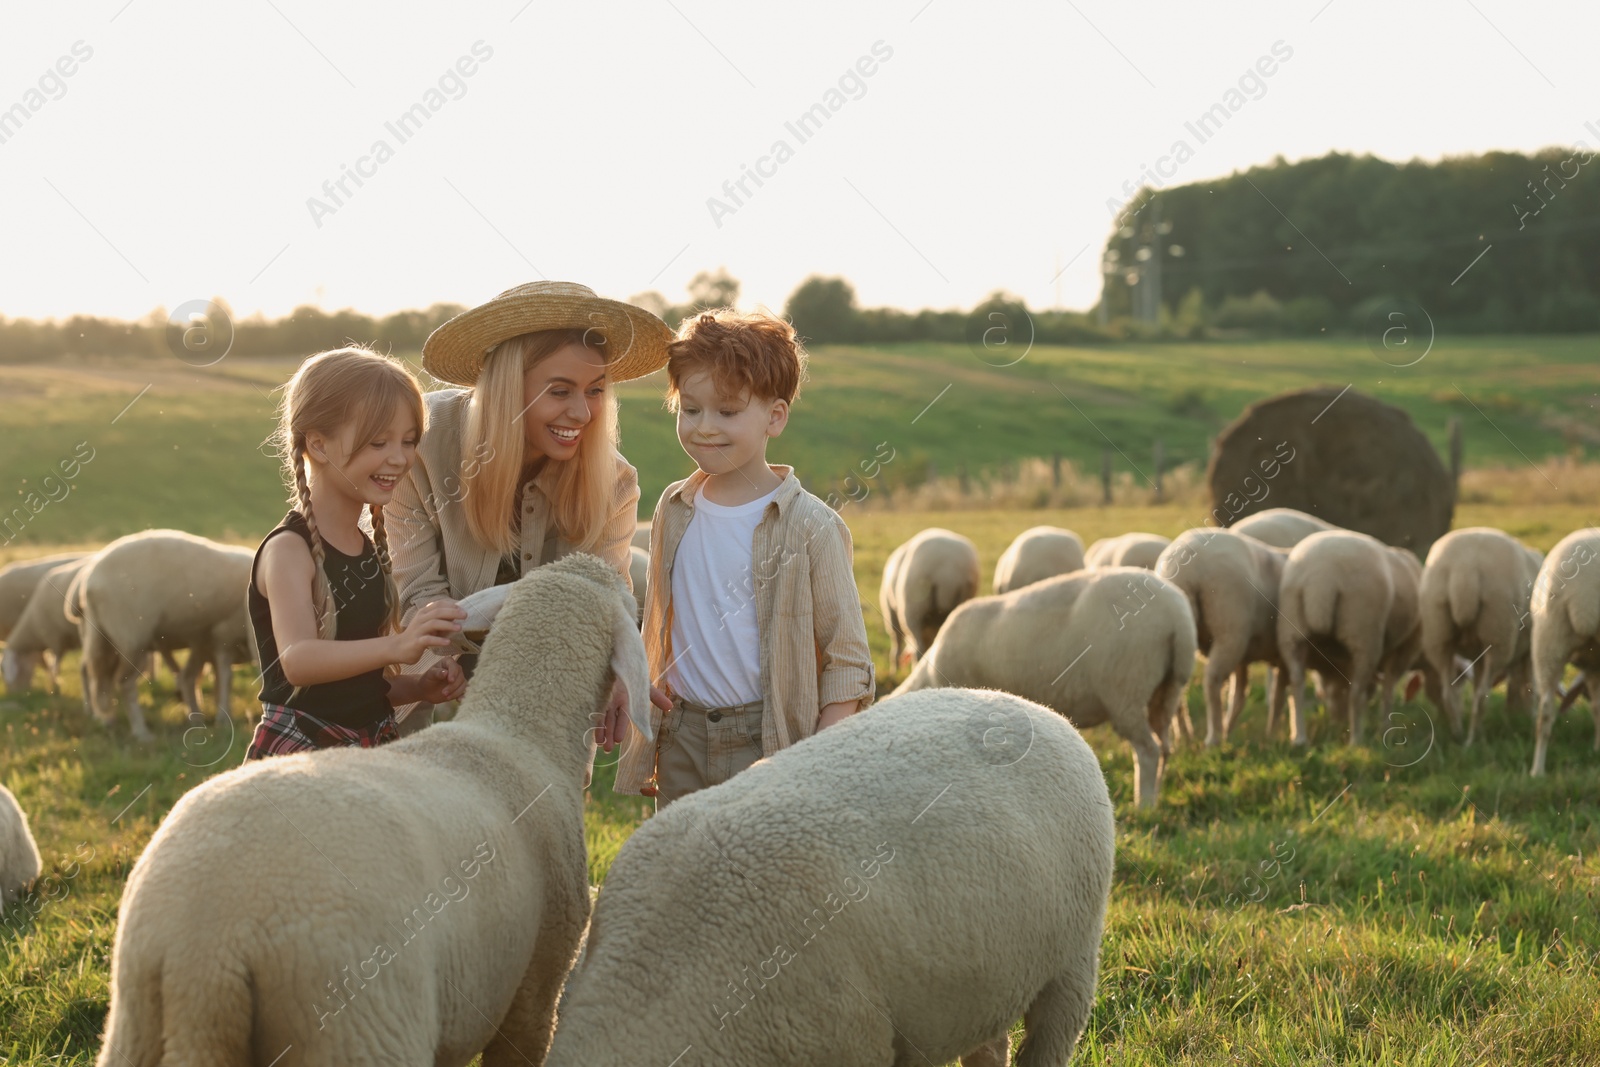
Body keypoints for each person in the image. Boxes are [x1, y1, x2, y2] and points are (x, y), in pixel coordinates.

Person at [385, 281, 676, 733]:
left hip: (548, 666)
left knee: (542, 776)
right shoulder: (422, 443)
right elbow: (418, 599)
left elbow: (603, 598)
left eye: (595, 390)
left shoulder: (614, 482)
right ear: (506, 387)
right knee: (407, 777)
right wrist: (540, 605)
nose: (581, 413)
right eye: (559, 391)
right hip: (419, 661)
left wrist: (617, 665)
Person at [613, 309, 875, 807]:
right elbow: (660, 624)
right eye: (690, 409)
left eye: (727, 412)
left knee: (765, 875)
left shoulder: (812, 527)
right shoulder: (674, 509)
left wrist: (816, 758)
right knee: (685, 867)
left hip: (770, 737)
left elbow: (847, 660)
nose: (704, 427)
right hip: (682, 733)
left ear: (775, 416)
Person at [246, 346, 468, 760]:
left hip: (367, 749)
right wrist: (397, 647)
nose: (399, 458)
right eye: (378, 442)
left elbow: (360, 687)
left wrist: (418, 687)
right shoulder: (289, 551)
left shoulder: (370, 550)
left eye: (408, 441)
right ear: (319, 444)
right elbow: (299, 660)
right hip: (301, 756)